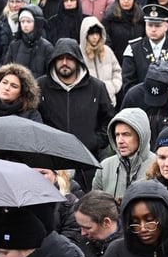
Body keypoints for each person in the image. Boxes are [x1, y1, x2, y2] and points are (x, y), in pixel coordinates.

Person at [37, 39, 113, 187]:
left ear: (78, 60)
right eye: (60, 58)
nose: (64, 62)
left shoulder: (96, 87)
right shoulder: (41, 86)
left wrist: (95, 141)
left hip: (88, 164)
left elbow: (109, 120)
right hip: (52, 166)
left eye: (70, 58)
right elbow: (34, 119)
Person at [91, 107, 154, 201]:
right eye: (117, 135)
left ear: (141, 135)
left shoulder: (157, 165)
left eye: (126, 134)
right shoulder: (104, 167)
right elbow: (94, 206)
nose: (120, 141)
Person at [79, 16, 122, 107]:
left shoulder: (107, 51)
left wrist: (113, 87)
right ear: (85, 35)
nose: (95, 37)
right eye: (91, 34)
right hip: (88, 103)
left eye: (97, 34)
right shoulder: (79, 54)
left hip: (109, 100)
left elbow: (117, 70)